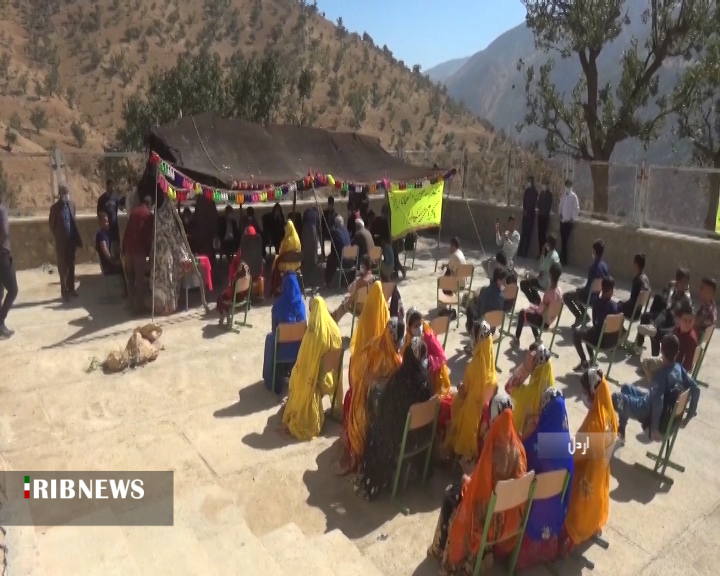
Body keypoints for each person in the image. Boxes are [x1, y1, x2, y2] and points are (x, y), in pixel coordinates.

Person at [429, 394, 528, 573]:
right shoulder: (519, 448)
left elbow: (479, 493)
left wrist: (467, 481)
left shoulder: (493, 446)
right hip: (511, 520)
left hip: (489, 519)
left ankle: (440, 551)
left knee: (451, 492)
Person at [356, 336, 434, 500]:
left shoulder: (400, 379)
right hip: (421, 435)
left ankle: (375, 478)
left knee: (375, 430)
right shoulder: (426, 379)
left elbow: (386, 406)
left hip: (403, 438)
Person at [559, 367, 617, 556]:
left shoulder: (594, 423)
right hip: (600, 474)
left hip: (587, 476)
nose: (583, 396)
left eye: (585, 392)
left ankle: (574, 534)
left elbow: (573, 454)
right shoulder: (609, 414)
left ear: (592, 392)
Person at [516, 388, 573, 570]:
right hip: (554, 511)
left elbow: (520, 455)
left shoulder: (538, 443)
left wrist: (527, 431)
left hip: (533, 510)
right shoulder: (567, 446)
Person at [339, 316, 405, 475]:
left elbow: (357, 368)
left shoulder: (374, 344)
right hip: (375, 403)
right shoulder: (396, 360)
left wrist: (367, 383)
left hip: (364, 396)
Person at [612, 334, 700, 444]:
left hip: (644, 410)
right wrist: (689, 416)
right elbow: (696, 388)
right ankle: (621, 430)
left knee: (614, 398)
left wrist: (654, 429)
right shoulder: (679, 368)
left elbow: (658, 402)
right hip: (649, 402)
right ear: (677, 353)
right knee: (625, 388)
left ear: (661, 351)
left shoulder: (662, 375)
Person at [281, 296, 343, 440]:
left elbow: (304, 362)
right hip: (332, 377)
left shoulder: (313, 334)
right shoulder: (334, 329)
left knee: (296, 375)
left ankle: (303, 411)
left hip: (319, 381)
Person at [445, 321, 497, 461]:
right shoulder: (490, 362)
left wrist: (460, 387)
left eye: (473, 336)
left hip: (472, 412)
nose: (472, 339)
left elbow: (464, 393)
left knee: (449, 404)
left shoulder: (474, 365)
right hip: (484, 409)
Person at [261, 271, 307, 393]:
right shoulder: (302, 305)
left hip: (281, 351)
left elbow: (274, 328)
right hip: (299, 350)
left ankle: (271, 380)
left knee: (270, 338)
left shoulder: (278, 305)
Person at [149, 196, 191, 316]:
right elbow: (174, 236)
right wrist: (182, 253)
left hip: (159, 253)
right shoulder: (167, 217)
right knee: (167, 278)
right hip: (165, 253)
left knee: (162, 279)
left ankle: (162, 306)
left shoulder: (157, 214)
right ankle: (167, 306)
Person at [636, 267, 692, 354]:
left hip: (674, 324)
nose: (684, 285)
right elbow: (665, 298)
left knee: (665, 314)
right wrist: (669, 286)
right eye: (682, 282)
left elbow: (673, 311)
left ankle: (654, 327)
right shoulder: (674, 287)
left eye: (686, 282)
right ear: (677, 281)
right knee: (646, 316)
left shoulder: (686, 297)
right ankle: (639, 346)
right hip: (665, 317)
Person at [505, 343, 555, 438]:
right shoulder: (553, 391)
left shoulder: (529, 393)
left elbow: (509, 387)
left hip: (524, 439)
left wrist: (525, 369)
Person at [571, 276, 619, 371]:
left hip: (601, 341)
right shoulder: (614, 305)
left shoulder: (597, 303)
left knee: (577, 333)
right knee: (588, 331)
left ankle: (584, 362)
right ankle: (592, 359)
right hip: (612, 340)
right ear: (610, 290)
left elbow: (595, 322)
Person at [641, 302, 697, 380]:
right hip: (668, 359)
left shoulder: (691, 339)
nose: (688, 323)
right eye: (685, 320)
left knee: (646, 363)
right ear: (678, 320)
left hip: (673, 367)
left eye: (690, 321)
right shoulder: (677, 330)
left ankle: (657, 383)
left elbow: (687, 364)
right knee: (646, 361)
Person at [405, 308, 452, 397]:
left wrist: (429, 361)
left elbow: (442, 357)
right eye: (415, 326)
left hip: (432, 375)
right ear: (409, 328)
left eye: (420, 324)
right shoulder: (408, 340)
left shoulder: (428, 337)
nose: (419, 328)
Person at [562, 239, 610, 326]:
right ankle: (584, 316)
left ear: (594, 251)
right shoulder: (605, 267)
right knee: (576, 294)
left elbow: (588, 288)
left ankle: (579, 316)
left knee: (567, 296)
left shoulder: (593, 267)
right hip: (597, 296)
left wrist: (580, 290)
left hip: (590, 298)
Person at [49, 185, 82, 302]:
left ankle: (71, 288)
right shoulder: (55, 208)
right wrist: (59, 237)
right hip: (61, 243)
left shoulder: (72, 205)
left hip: (71, 242)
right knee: (63, 268)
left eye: (68, 193)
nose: (66, 195)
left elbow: (74, 221)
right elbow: (52, 226)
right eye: (64, 193)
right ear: (60, 194)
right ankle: (64, 292)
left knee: (71, 266)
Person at [514, 262, 563, 343]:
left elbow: (540, 310)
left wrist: (534, 308)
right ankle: (537, 338)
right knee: (530, 313)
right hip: (551, 321)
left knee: (523, 313)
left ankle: (516, 339)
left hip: (543, 322)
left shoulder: (549, 293)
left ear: (550, 275)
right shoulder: (560, 291)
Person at [122, 195, 154, 314]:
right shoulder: (148, 215)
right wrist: (149, 251)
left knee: (130, 277)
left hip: (128, 249)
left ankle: (131, 303)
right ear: (150, 205)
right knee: (140, 280)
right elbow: (148, 235)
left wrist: (123, 248)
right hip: (139, 250)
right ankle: (139, 307)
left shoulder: (133, 212)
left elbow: (127, 231)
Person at [331, 254, 377, 323]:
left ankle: (333, 320)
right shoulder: (374, 279)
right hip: (371, 307)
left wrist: (348, 298)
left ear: (364, 266)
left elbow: (354, 298)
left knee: (344, 304)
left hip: (360, 308)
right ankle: (334, 316)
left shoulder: (360, 281)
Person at [520, 234, 560, 306]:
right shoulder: (555, 254)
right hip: (549, 280)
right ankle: (536, 300)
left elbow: (540, 267)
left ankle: (536, 303)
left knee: (523, 284)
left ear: (548, 244)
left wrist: (542, 253)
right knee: (532, 282)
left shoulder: (549, 258)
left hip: (545, 283)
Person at [465, 267, 507, 335]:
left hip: (483, 324)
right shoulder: (502, 295)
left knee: (470, 305)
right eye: (504, 281)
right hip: (494, 324)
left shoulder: (484, 290)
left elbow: (480, 309)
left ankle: (470, 329)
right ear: (498, 281)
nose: (505, 283)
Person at [269, 220, 301, 296]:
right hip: (297, 264)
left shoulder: (286, 241)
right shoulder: (297, 239)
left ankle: (277, 287)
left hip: (286, 265)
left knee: (276, 261)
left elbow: (281, 252)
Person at [0, 200, 17, 338]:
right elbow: (5, 232)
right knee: (13, 290)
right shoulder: (2, 210)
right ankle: (0, 321)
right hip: (3, 255)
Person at [95, 178, 125, 251]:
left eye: (113, 186)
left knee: (116, 247)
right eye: (111, 186)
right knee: (107, 247)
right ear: (107, 186)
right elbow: (99, 214)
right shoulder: (102, 199)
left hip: (114, 226)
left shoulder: (115, 198)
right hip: (106, 228)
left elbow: (119, 208)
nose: (112, 188)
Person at [618, 252, 650, 319]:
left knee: (615, 306)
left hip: (631, 313)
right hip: (638, 312)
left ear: (636, 264)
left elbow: (632, 301)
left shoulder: (637, 280)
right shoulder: (646, 278)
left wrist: (622, 303)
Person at [325, 214, 352, 287]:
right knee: (333, 256)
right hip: (351, 260)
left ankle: (328, 282)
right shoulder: (346, 230)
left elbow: (327, 233)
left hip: (343, 260)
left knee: (331, 259)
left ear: (336, 224)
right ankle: (343, 280)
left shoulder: (335, 232)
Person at [558, 179, 580, 266]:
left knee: (565, 240)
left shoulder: (574, 196)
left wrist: (572, 218)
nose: (567, 187)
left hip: (568, 222)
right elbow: (560, 205)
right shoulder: (563, 195)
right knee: (563, 240)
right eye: (566, 185)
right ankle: (562, 258)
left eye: (569, 185)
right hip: (562, 221)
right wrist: (560, 214)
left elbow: (577, 209)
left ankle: (564, 259)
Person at [95, 212, 124, 277]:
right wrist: (113, 261)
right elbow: (105, 250)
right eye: (105, 222)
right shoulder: (101, 235)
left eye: (107, 221)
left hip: (109, 265)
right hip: (108, 266)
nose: (107, 223)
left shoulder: (106, 233)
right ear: (100, 222)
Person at [301, 207, 321, 293]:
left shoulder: (306, 212)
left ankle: (304, 283)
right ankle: (313, 285)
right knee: (313, 261)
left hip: (305, 235)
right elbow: (318, 229)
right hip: (312, 235)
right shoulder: (316, 214)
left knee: (306, 260)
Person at [518, 175, 538, 258]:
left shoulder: (535, 192)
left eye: (529, 181)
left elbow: (533, 204)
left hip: (530, 215)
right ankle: (520, 251)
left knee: (528, 234)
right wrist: (524, 210)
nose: (528, 183)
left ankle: (525, 252)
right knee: (523, 234)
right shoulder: (527, 191)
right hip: (525, 215)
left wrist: (527, 211)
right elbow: (524, 202)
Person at [536, 178, 553, 253]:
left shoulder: (549, 195)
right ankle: (540, 252)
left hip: (545, 217)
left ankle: (544, 252)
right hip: (540, 216)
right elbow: (538, 204)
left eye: (545, 184)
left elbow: (548, 206)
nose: (543, 186)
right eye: (543, 184)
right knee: (540, 235)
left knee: (544, 235)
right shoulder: (541, 194)